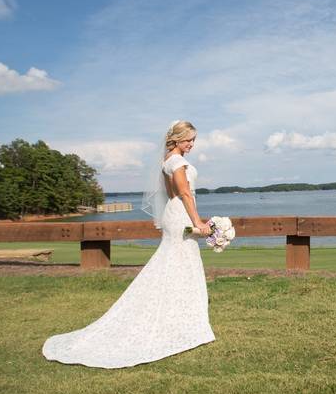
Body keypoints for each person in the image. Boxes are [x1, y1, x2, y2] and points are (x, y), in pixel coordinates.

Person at [42, 120, 216, 368]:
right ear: (177, 139)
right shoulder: (177, 162)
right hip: (181, 215)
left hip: (173, 214)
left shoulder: (166, 161)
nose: (192, 144)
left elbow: (175, 195)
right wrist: (197, 221)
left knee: (177, 263)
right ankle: (183, 321)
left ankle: (180, 316)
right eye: (189, 139)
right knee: (181, 261)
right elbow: (185, 193)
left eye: (193, 140)